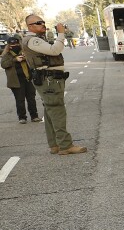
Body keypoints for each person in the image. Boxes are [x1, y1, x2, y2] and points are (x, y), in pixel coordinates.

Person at [21, 15, 86, 155]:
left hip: (48, 79)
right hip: (49, 80)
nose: (43, 25)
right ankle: (65, 145)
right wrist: (61, 33)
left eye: (43, 22)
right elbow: (55, 50)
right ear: (30, 26)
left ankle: (55, 144)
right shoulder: (32, 40)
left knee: (50, 112)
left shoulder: (36, 39)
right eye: (39, 23)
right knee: (57, 111)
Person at [2, 36, 40, 124]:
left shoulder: (24, 52)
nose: (15, 46)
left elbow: (34, 61)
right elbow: (4, 64)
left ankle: (34, 116)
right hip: (16, 81)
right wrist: (15, 60)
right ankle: (22, 117)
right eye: (12, 44)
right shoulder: (7, 55)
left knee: (31, 99)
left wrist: (26, 58)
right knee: (20, 100)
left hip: (27, 79)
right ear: (9, 46)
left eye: (16, 43)